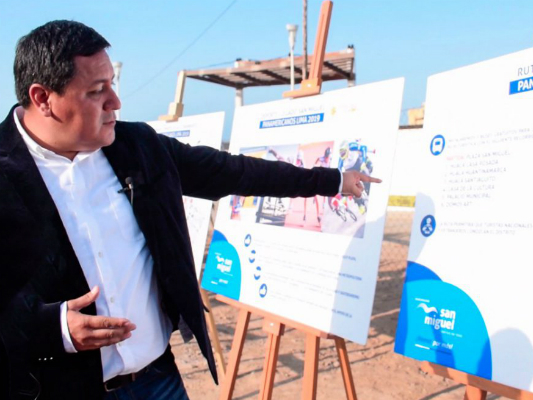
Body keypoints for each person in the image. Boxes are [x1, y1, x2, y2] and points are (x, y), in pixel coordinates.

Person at [0, 20, 379, 400]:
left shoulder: (138, 147)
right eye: (97, 91)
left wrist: (332, 180)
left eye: (112, 84)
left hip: (157, 378)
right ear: (43, 98)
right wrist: (54, 329)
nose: (115, 101)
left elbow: (234, 172)